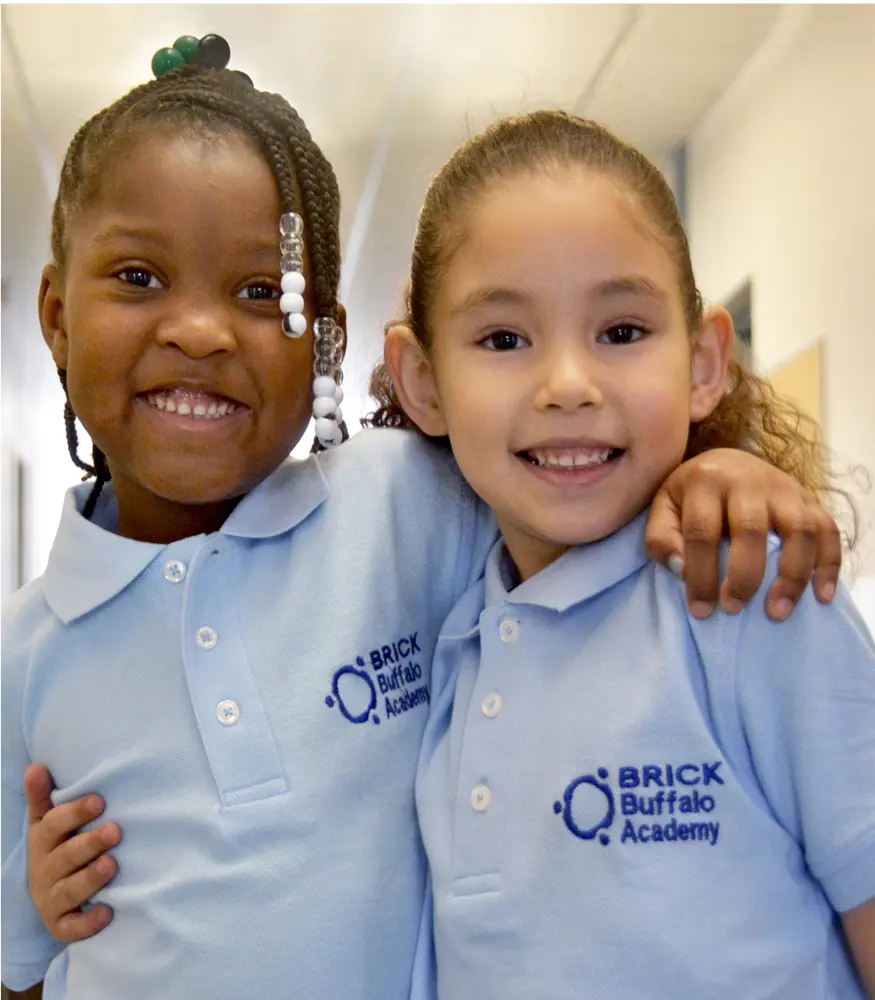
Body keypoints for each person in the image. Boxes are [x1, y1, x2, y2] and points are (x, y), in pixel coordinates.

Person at [0, 39, 845, 1000]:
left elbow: (568, 486)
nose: (200, 329)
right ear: (57, 318)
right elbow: (20, 967)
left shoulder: (406, 500)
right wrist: (31, 903)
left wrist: (710, 472)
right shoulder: (23, 657)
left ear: (327, 343)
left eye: (260, 291)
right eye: (140, 277)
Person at [375, 111, 875, 998]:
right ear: (422, 384)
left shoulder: (753, 593)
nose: (568, 385)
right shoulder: (456, 649)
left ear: (703, 362)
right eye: (501, 340)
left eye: (620, 331)